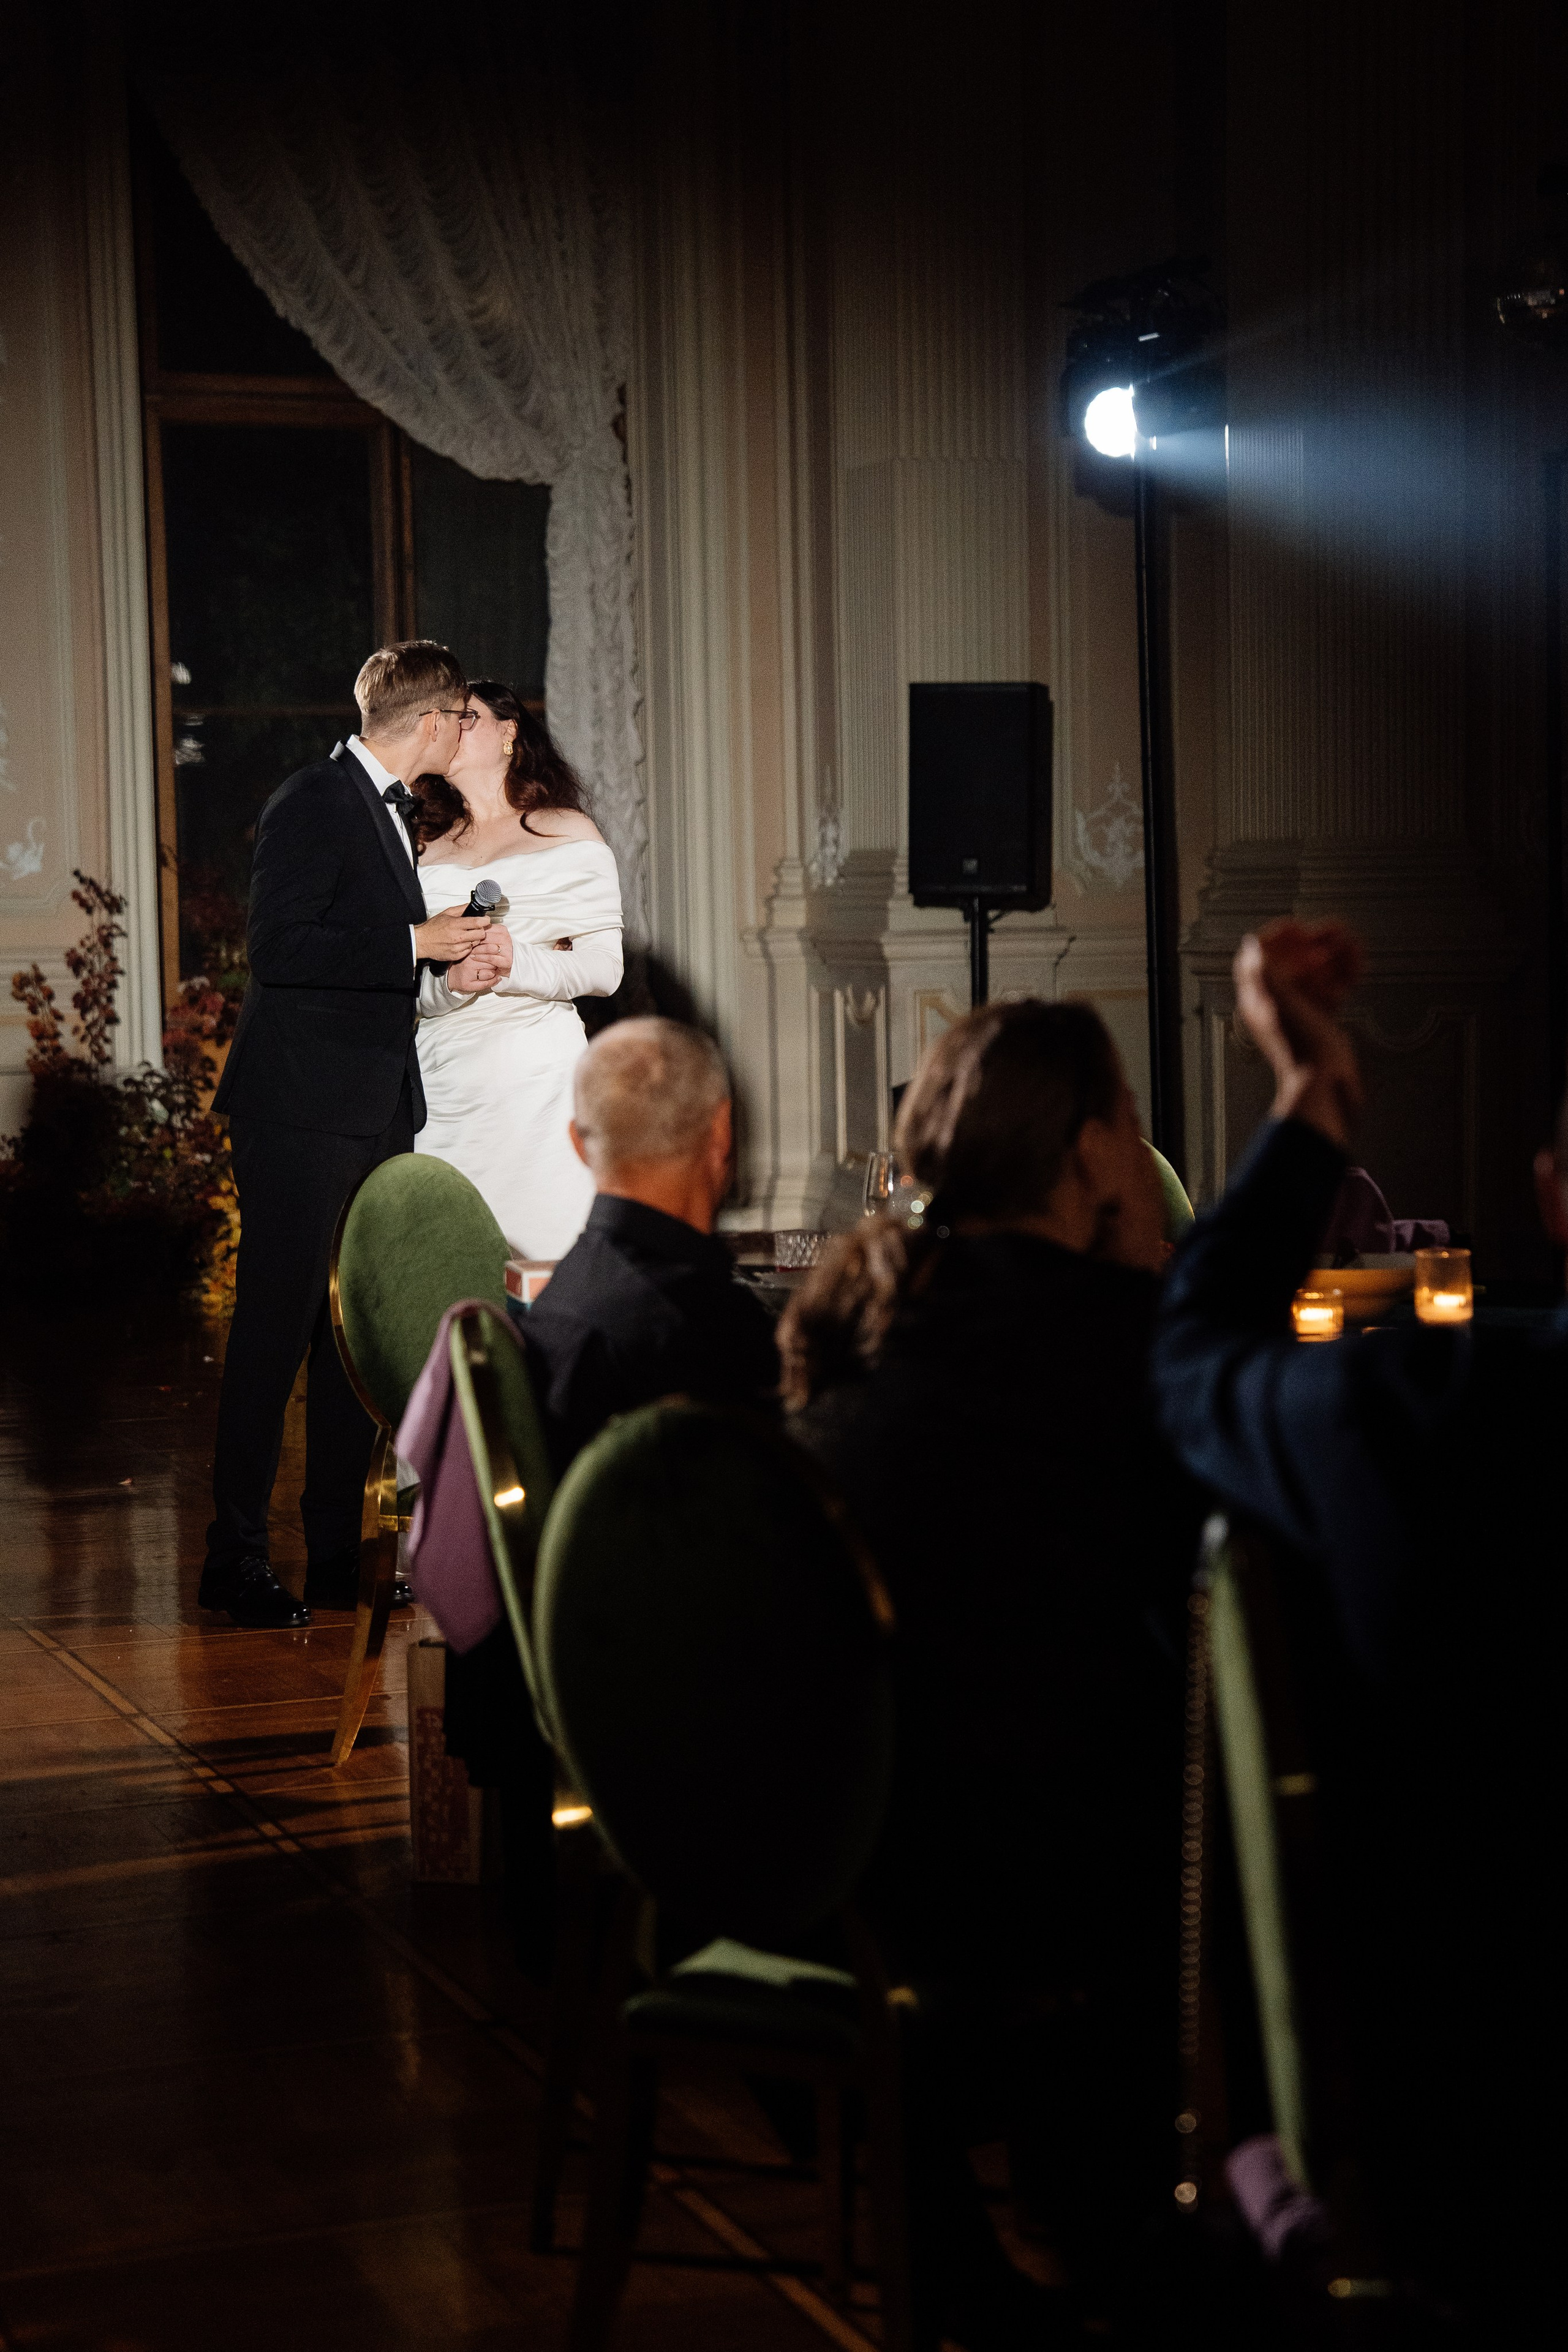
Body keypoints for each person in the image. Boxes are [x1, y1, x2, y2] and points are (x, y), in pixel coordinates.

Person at [1152, 918, 1562, 2333]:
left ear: (1551, 1194)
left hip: (1479, 2161)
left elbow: (1193, 1349)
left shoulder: (1425, 1421)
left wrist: (1309, 1093)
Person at [780, 1000, 1204, 2342]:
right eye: (1130, 1130)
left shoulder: (867, 1326)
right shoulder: (1107, 1348)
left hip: (830, 1874)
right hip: (1023, 1896)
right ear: (1088, 1152)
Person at [442, 1014, 778, 1970]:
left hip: (559, 1681)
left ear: (580, 1145)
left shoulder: (568, 1299)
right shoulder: (696, 1333)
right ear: (722, 1137)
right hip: (671, 1718)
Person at [200, 642, 492, 1629]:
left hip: (369, 1105)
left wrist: (438, 960)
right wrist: (413, 942)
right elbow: (278, 950)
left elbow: (356, 955)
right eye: (461, 713)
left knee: (344, 1336)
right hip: (298, 1110)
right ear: (428, 721)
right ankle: (230, 1559)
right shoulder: (314, 799)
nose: (467, 727)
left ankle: (333, 1553)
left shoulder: (388, 810)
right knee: (275, 1331)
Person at [410, 682, 623, 1259]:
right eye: (447, 719)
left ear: (510, 732)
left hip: (538, 1077)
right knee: (448, 1258)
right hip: (444, 1078)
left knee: (544, 1251)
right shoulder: (421, 847)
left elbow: (606, 970)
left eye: (469, 718)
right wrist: (448, 987)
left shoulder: (567, 831)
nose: (453, 729)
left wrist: (517, 963)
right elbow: (405, 986)